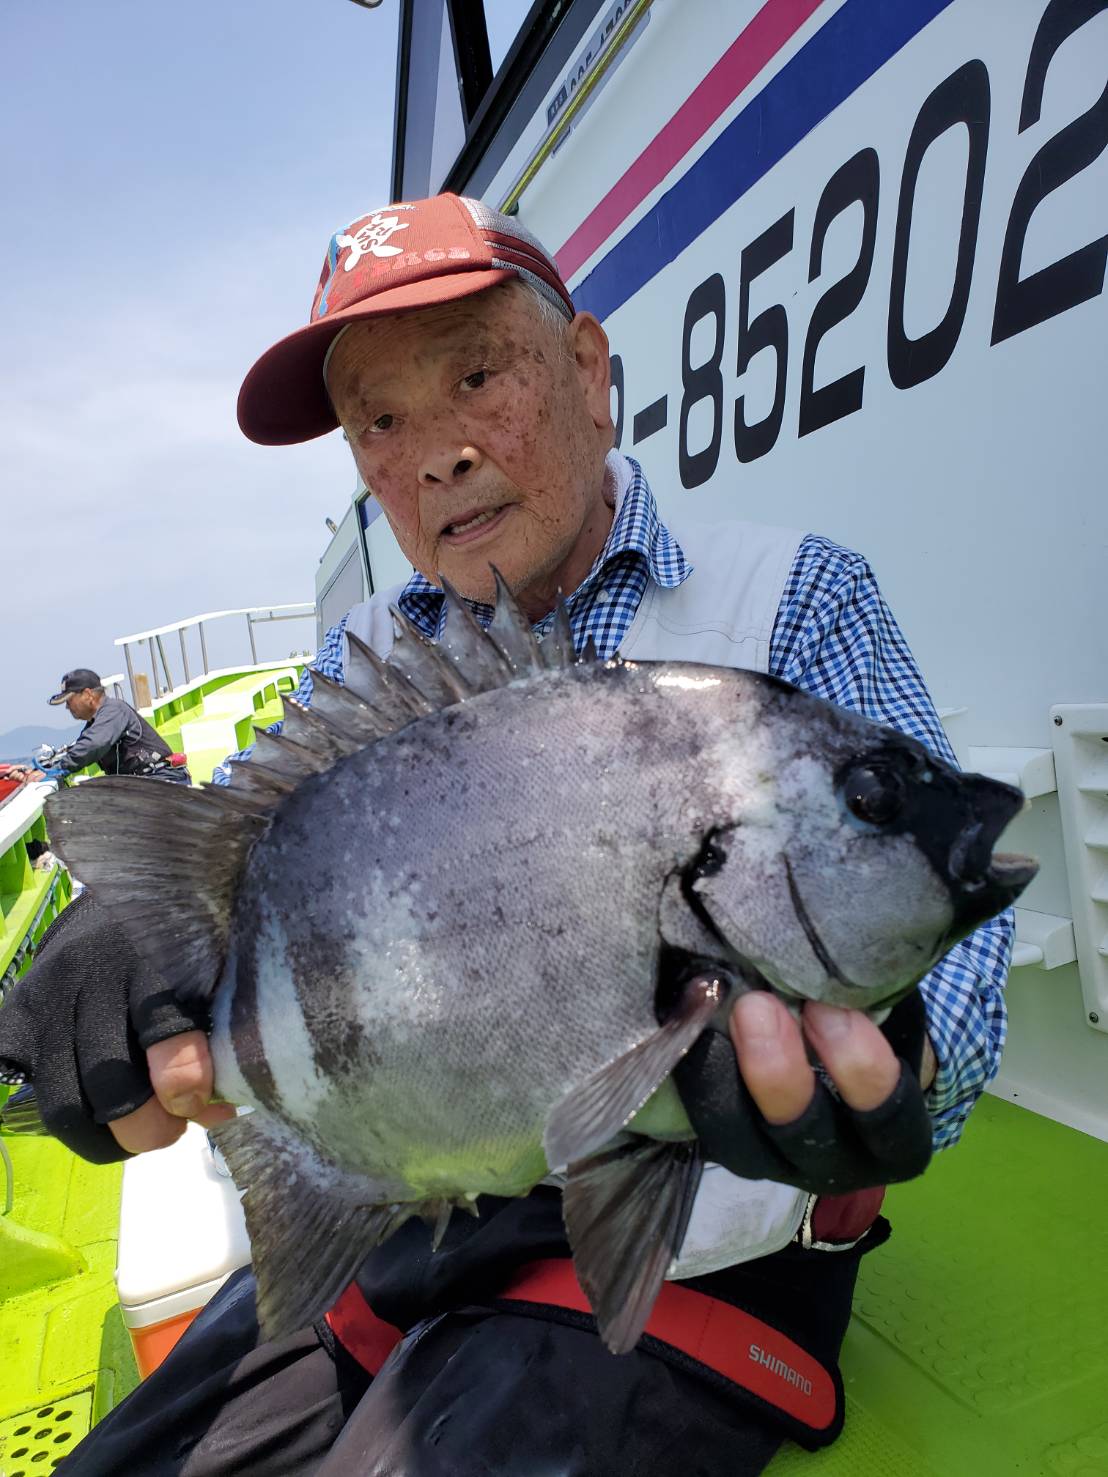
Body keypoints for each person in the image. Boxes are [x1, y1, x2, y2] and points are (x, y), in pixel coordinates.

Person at [2, 195, 1012, 1476]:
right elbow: (239, 855)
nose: (433, 456)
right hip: (415, 1207)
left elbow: (956, 972)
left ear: (587, 371)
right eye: (379, 423)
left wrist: (897, 1065)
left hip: (708, 1258)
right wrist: (128, 951)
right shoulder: (368, 653)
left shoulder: (796, 593)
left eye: (475, 376)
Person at [7, 670, 191, 786]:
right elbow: (79, 748)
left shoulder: (114, 710)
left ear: (88, 694)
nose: (67, 707)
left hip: (164, 781)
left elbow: (94, 744)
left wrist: (59, 769)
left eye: (69, 701)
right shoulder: (97, 723)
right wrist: (31, 770)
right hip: (144, 784)